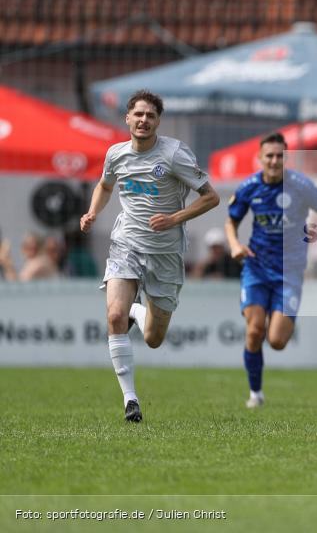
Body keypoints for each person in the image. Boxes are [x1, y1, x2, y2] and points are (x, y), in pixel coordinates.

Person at [80, 89, 220, 423]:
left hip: (166, 253)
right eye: (138, 114)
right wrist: (92, 212)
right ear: (127, 118)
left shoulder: (174, 155)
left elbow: (211, 197)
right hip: (126, 244)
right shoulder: (115, 154)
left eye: (151, 116)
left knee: (154, 339)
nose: (144, 120)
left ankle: (139, 310)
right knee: (114, 316)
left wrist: (174, 218)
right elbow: (104, 185)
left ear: (158, 121)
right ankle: (131, 400)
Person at [225, 132, 317, 409]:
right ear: (260, 158)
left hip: (289, 271)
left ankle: (282, 317)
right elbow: (231, 221)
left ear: (286, 158)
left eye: (280, 156)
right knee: (253, 331)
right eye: (270, 156)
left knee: (275, 341)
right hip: (257, 267)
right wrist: (234, 244)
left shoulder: (300, 185)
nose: (274, 160)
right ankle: (255, 394)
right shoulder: (249, 187)